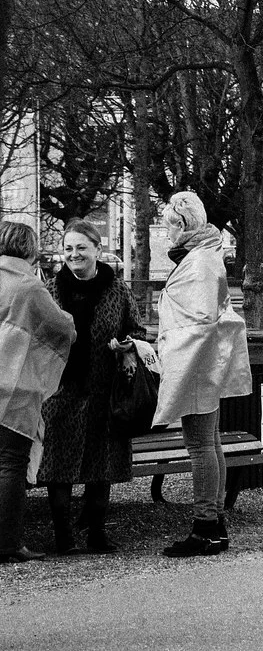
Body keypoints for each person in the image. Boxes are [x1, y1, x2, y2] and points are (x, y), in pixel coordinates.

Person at [38, 219, 146, 554]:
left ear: (98, 250)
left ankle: (97, 532)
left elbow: (138, 330)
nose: (74, 254)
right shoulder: (50, 290)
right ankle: (63, 536)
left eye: (81, 248)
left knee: (103, 464)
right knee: (57, 464)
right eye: (68, 248)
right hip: (60, 391)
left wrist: (128, 345)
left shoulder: (117, 290)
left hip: (104, 390)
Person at [154, 191, 251, 557]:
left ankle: (206, 526)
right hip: (204, 361)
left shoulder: (198, 262)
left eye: (169, 227)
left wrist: (173, 353)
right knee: (210, 443)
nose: (166, 234)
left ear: (182, 225)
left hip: (194, 362)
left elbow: (199, 319)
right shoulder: (206, 255)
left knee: (200, 445)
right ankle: (214, 523)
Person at [0, 222, 77, 564]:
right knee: (11, 464)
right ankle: (7, 544)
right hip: (15, 389)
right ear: (30, 250)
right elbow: (62, 328)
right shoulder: (30, 286)